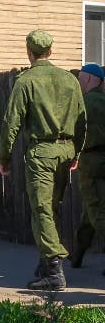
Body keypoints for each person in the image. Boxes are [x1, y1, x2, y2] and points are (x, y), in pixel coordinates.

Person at [0, 30, 86, 291]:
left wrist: (4, 156)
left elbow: (10, 123)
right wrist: (77, 152)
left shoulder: (26, 81)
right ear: (50, 51)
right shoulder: (70, 80)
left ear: (29, 52)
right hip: (66, 151)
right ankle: (45, 261)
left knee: (41, 209)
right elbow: (82, 119)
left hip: (42, 152)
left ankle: (53, 269)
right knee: (53, 207)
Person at [69, 63, 105, 275]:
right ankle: (78, 255)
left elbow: (74, 131)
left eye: (81, 79)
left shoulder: (84, 103)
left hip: (91, 160)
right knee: (90, 211)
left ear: (90, 80)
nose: (79, 83)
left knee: (96, 210)